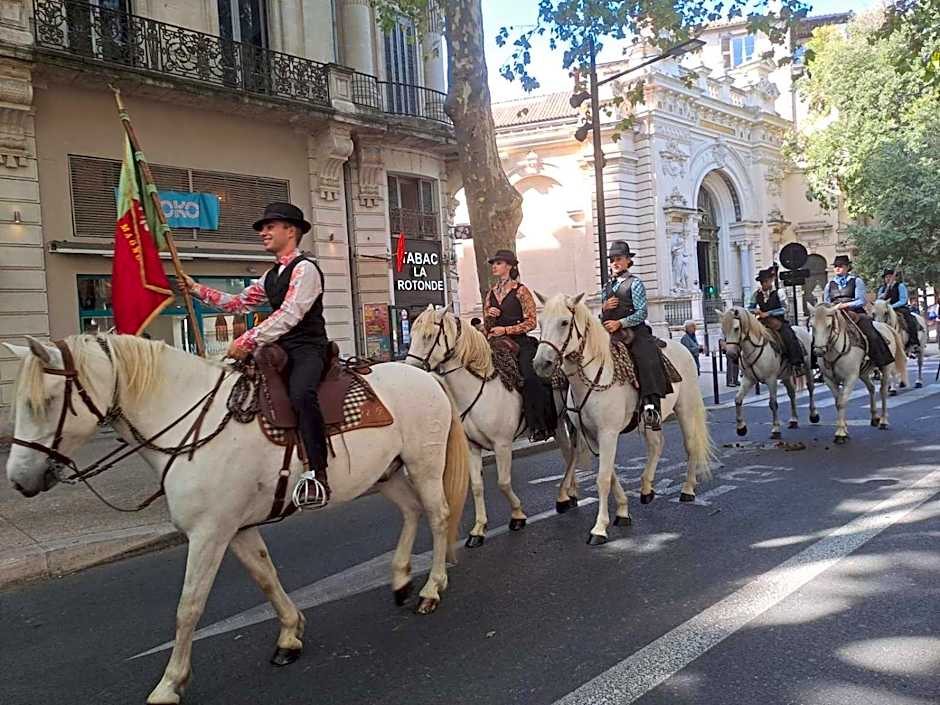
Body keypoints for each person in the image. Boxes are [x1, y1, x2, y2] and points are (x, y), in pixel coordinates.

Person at [181, 202, 331, 509]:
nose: (263, 232)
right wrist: (196, 289)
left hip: (307, 348)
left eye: (269, 226)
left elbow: (290, 314)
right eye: (262, 228)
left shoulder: (305, 270)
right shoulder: (271, 275)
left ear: (291, 231)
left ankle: (318, 472)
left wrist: (248, 339)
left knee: (302, 395)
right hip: (278, 348)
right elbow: (238, 303)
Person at [483, 249, 557, 442]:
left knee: (531, 377)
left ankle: (540, 425)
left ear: (509, 266)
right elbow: (487, 324)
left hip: (519, 342)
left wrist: (506, 330)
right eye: (494, 263)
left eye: (498, 263)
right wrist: (489, 318)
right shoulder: (490, 293)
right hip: (495, 342)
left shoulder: (521, 291)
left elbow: (531, 322)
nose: (494, 266)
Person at [600, 240, 673, 430]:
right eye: (613, 260)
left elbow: (642, 312)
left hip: (634, 331)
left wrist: (620, 323)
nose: (615, 263)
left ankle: (651, 407)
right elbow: (603, 316)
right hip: (610, 332)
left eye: (619, 259)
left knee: (646, 359)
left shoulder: (635, 283)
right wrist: (603, 309)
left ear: (627, 261)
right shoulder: (607, 286)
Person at [822, 255, 894, 368]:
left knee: (871, 333)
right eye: (835, 266)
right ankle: (818, 364)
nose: (837, 268)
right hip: (835, 313)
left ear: (847, 267)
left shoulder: (856, 281)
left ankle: (878, 360)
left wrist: (845, 305)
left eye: (840, 266)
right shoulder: (829, 285)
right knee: (819, 332)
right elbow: (826, 301)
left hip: (854, 312)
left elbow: (861, 300)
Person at [748, 267, 805, 372]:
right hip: (762, 323)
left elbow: (785, 309)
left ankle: (797, 363)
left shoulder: (779, 292)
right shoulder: (756, 294)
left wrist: (768, 313)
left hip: (778, 322)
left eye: (766, 281)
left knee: (789, 337)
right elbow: (750, 307)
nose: (764, 284)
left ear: (771, 280)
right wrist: (754, 311)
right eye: (762, 282)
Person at [877, 267, 919, 353]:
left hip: (898, 307)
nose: (888, 279)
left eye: (890, 276)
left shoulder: (900, 286)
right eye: (886, 277)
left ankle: (913, 342)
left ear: (894, 277)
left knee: (909, 319)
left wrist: (891, 306)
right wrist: (881, 297)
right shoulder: (882, 289)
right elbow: (879, 301)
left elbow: (903, 300)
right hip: (885, 309)